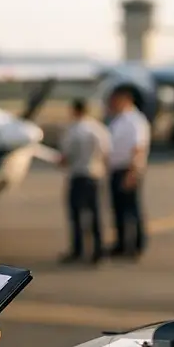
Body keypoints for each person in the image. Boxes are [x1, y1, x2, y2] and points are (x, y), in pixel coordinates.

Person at [58, 98, 111, 264]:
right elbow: (106, 150)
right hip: (95, 175)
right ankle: (98, 250)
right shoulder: (98, 128)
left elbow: (66, 155)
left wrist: (62, 161)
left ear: (75, 110)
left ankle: (78, 250)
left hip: (78, 175)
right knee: (94, 214)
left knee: (76, 215)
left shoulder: (74, 130)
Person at [106, 86, 151, 258]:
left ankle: (136, 245)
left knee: (131, 209)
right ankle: (121, 244)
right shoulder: (118, 120)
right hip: (116, 168)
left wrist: (133, 172)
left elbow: (138, 147)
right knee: (118, 209)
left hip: (128, 168)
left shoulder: (135, 120)